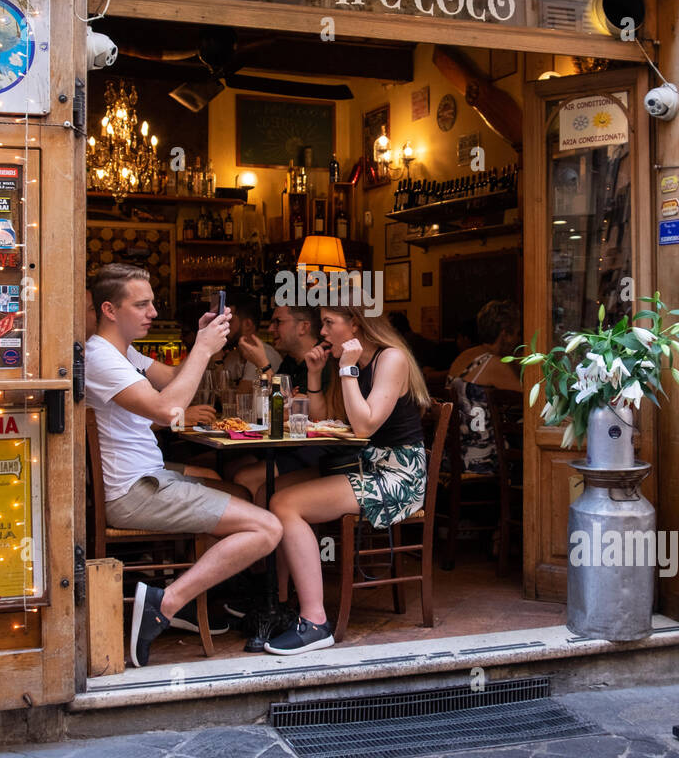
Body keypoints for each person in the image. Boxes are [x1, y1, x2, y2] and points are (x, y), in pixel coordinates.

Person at [84, 264, 282, 667]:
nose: (153, 312)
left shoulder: (123, 351)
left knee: (237, 491)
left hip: (147, 477)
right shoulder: (98, 356)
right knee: (268, 526)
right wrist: (207, 349)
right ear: (109, 309)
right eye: (141, 305)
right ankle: (167, 602)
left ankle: (199, 598)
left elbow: (174, 377)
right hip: (135, 491)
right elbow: (166, 407)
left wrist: (198, 341)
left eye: (152, 303)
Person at [264, 305, 430, 655]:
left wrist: (347, 369)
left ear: (356, 324)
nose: (322, 333)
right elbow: (328, 419)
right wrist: (314, 375)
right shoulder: (355, 364)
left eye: (329, 323)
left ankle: (314, 622)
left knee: (284, 504)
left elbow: (364, 425)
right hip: (361, 464)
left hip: (395, 474)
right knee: (271, 491)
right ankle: (279, 603)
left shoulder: (391, 359)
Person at [228, 303, 334, 504]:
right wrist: (287, 401)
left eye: (278, 322)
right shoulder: (291, 362)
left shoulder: (322, 360)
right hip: (285, 446)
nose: (270, 329)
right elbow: (274, 408)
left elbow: (293, 412)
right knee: (232, 467)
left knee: (245, 477)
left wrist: (263, 364)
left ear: (303, 327)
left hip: (315, 451)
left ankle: (264, 531)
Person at [446, 299, 522, 475]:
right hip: (481, 461)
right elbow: (532, 399)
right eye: (517, 334)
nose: (518, 339)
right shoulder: (493, 364)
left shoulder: (464, 356)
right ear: (505, 334)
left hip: (452, 457)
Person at [220, 297, 281, 383]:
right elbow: (219, 390)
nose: (224, 326)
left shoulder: (264, 354)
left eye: (230, 322)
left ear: (247, 324)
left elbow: (243, 394)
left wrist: (217, 359)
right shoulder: (232, 357)